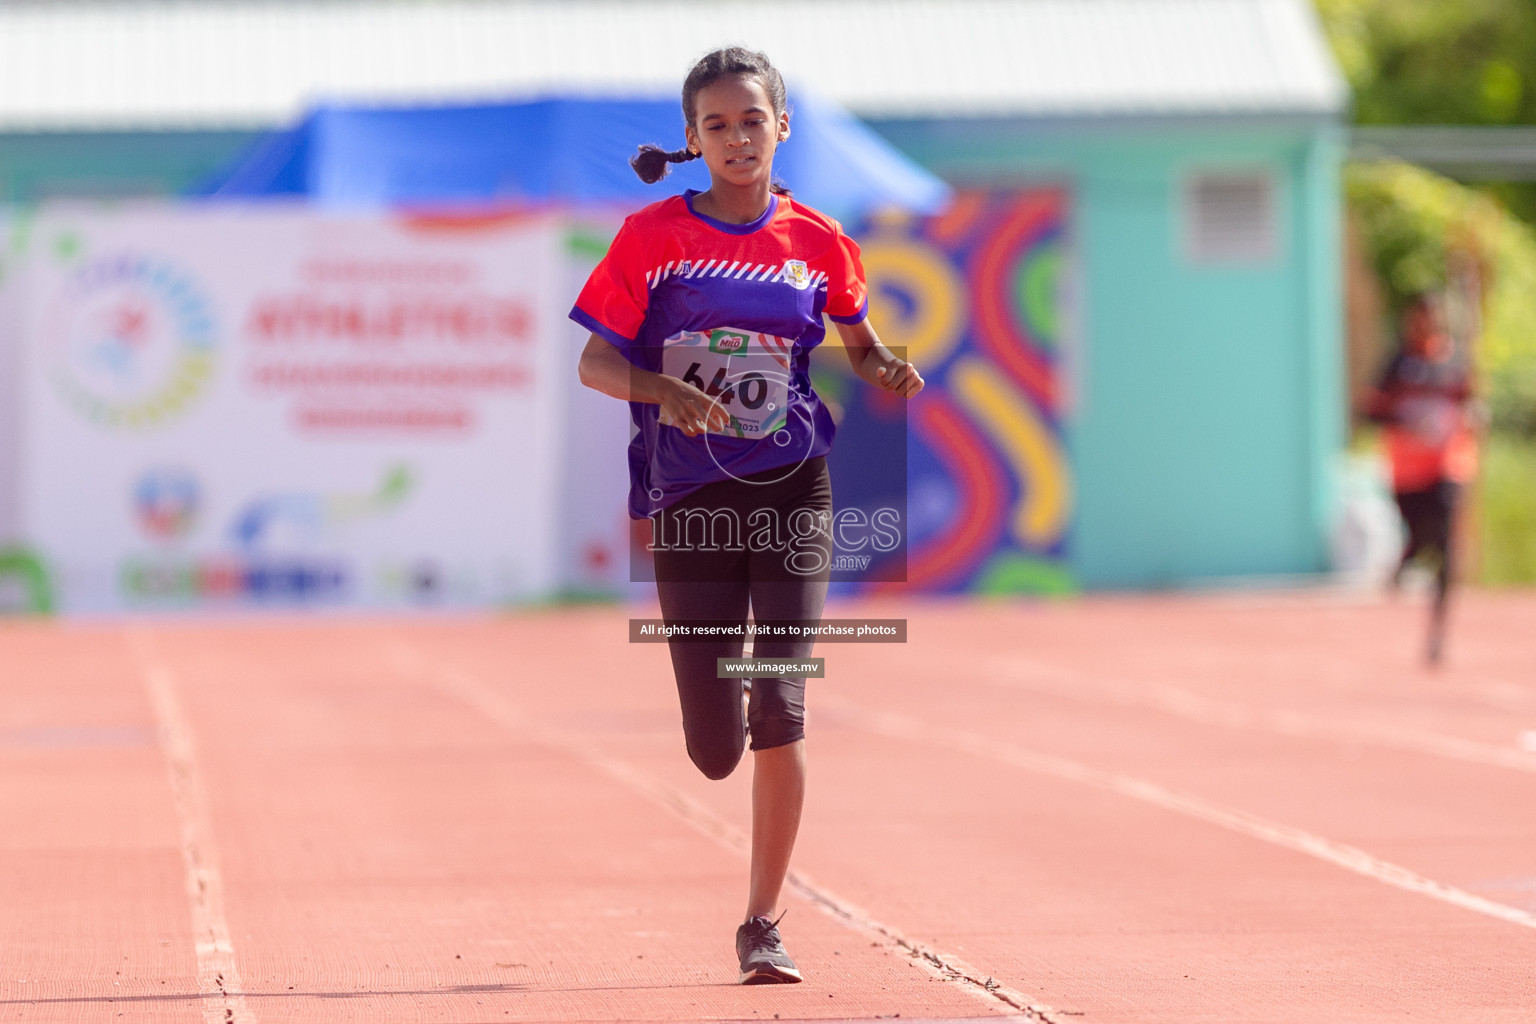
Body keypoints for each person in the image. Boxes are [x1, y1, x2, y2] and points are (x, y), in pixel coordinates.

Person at [570, 47, 922, 984]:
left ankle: (762, 923)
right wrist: (664, 391)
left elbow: (860, 335)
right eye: (716, 126)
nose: (735, 138)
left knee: (783, 702)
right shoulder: (651, 237)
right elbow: (594, 365)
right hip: (690, 498)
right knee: (715, 749)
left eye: (751, 121)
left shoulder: (818, 239)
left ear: (781, 127)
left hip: (793, 486)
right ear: (692, 138)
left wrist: (882, 364)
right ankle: (720, 704)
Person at [1363, 292, 1478, 665]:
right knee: (1420, 540)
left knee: (1445, 547)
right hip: (1408, 472)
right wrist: (1407, 421)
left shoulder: (1453, 359)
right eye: (1419, 315)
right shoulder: (1397, 364)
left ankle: (1437, 633)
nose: (1426, 322)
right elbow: (1368, 412)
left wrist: (1473, 415)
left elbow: (1469, 401)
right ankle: (1406, 559)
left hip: (1447, 465)